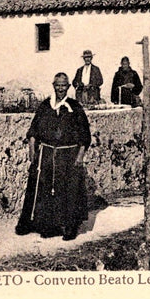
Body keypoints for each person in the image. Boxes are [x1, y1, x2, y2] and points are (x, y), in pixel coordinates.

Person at [15, 73, 91, 241]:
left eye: (64, 85)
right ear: (53, 85)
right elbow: (33, 130)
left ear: (69, 86)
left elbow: (85, 135)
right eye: (58, 85)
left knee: (68, 191)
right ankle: (49, 226)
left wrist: (79, 157)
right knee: (45, 190)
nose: (60, 88)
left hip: (68, 156)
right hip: (47, 155)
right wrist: (32, 149)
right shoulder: (45, 106)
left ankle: (70, 227)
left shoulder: (75, 107)